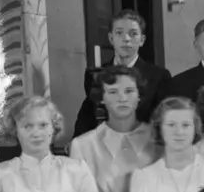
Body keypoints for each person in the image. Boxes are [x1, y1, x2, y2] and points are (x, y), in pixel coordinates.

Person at [73, 9, 171, 138]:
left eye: (133, 33)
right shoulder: (97, 74)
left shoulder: (159, 76)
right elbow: (88, 114)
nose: (126, 39)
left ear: (141, 40)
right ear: (111, 38)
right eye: (119, 33)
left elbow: (162, 118)